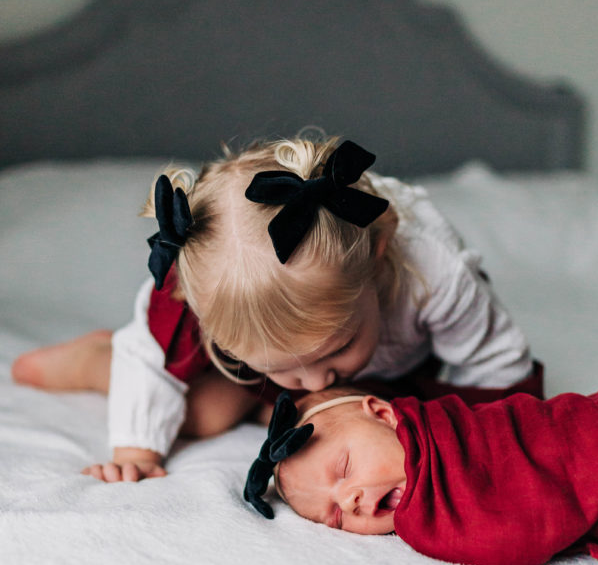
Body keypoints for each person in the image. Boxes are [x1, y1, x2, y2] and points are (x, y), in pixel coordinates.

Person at [12, 134, 540, 483]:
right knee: (203, 415)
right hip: (249, 360)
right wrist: (136, 451)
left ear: (376, 261)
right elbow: (154, 362)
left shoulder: (433, 271)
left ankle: (266, 397)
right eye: (285, 367)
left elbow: (495, 366)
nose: (311, 381)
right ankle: (95, 359)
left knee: (367, 429)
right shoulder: (204, 285)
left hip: (398, 372)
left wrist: (493, 449)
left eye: (338, 346)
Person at [248, 361, 598, 565]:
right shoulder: (429, 515)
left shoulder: (450, 430)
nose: (352, 498)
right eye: (337, 516)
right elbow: (510, 536)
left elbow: (537, 435)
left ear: (383, 414)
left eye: (343, 468)